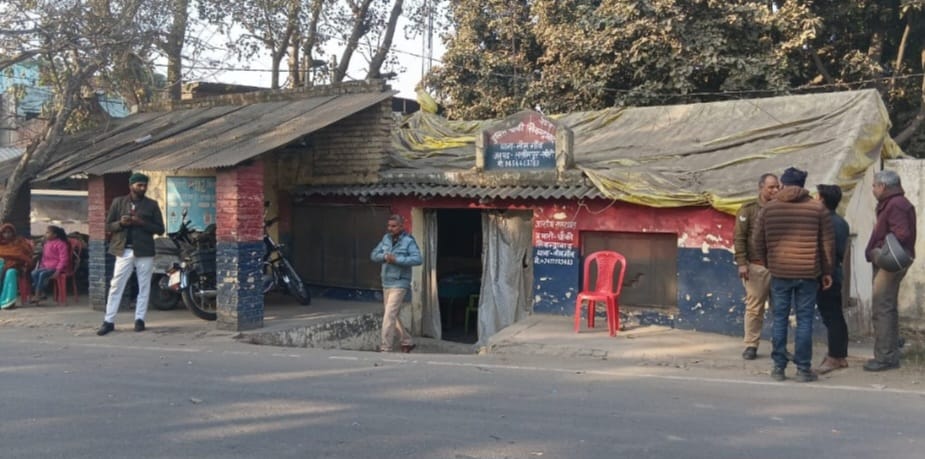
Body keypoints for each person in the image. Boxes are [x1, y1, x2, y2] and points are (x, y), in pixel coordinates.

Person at [753, 167, 835, 382]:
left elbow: (757, 242)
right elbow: (827, 244)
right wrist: (826, 271)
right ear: (803, 184)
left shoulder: (769, 209)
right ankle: (803, 369)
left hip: (780, 272)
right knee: (805, 320)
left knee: (779, 319)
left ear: (783, 183)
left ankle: (779, 368)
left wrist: (769, 262)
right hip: (808, 273)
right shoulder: (818, 209)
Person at [97, 172, 165, 336]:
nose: (142, 188)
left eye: (144, 185)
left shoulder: (152, 205)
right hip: (123, 250)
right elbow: (108, 226)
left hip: (144, 251)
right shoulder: (118, 202)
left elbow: (160, 229)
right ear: (131, 186)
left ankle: (140, 319)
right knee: (116, 285)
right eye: (139, 185)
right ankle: (109, 321)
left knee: (144, 285)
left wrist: (142, 223)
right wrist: (121, 223)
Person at [863, 170, 916, 372]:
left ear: (883, 186)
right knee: (888, 308)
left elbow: (901, 234)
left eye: (874, 186)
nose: (873, 189)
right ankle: (890, 353)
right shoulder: (895, 203)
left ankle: (885, 357)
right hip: (893, 260)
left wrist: (878, 252)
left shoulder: (895, 205)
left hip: (891, 263)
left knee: (882, 309)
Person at [734, 173, 780, 360]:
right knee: (754, 309)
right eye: (771, 187)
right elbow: (739, 237)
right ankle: (751, 345)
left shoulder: (782, 208)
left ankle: (779, 346)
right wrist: (742, 263)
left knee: (780, 309)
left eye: (777, 186)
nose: (775, 190)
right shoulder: (749, 210)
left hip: (778, 267)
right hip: (756, 267)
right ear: (761, 188)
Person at [370, 214, 422, 353]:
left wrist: (397, 259)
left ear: (401, 226)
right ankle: (407, 340)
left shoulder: (408, 241)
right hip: (386, 280)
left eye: (393, 226)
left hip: (400, 282)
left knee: (388, 314)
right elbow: (374, 255)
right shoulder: (386, 238)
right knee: (391, 314)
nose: (390, 229)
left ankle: (385, 347)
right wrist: (385, 257)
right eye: (389, 226)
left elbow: (417, 259)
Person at [814, 185, 851, 374]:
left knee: (831, 316)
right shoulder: (841, 222)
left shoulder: (826, 222)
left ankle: (835, 356)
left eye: (816, 196)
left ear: (822, 200)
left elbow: (828, 252)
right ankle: (839, 355)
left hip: (826, 274)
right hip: (834, 272)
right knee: (835, 314)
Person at [30, 226, 72, 304]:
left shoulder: (61, 244)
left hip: (57, 268)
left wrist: (58, 270)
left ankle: (37, 295)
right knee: (34, 273)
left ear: (55, 235)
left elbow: (64, 259)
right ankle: (42, 293)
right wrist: (41, 266)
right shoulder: (47, 244)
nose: (46, 234)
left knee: (42, 274)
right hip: (47, 267)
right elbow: (44, 258)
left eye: (48, 232)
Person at [0, 223, 34, 309]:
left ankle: (9, 301)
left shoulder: (19, 242)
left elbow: (25, 255)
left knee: (10, 272)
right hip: (3, 266)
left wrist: (15, 258)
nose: (7, 234)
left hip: (18, 266)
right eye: (5, 232)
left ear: (13, 233)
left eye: (9, 232)